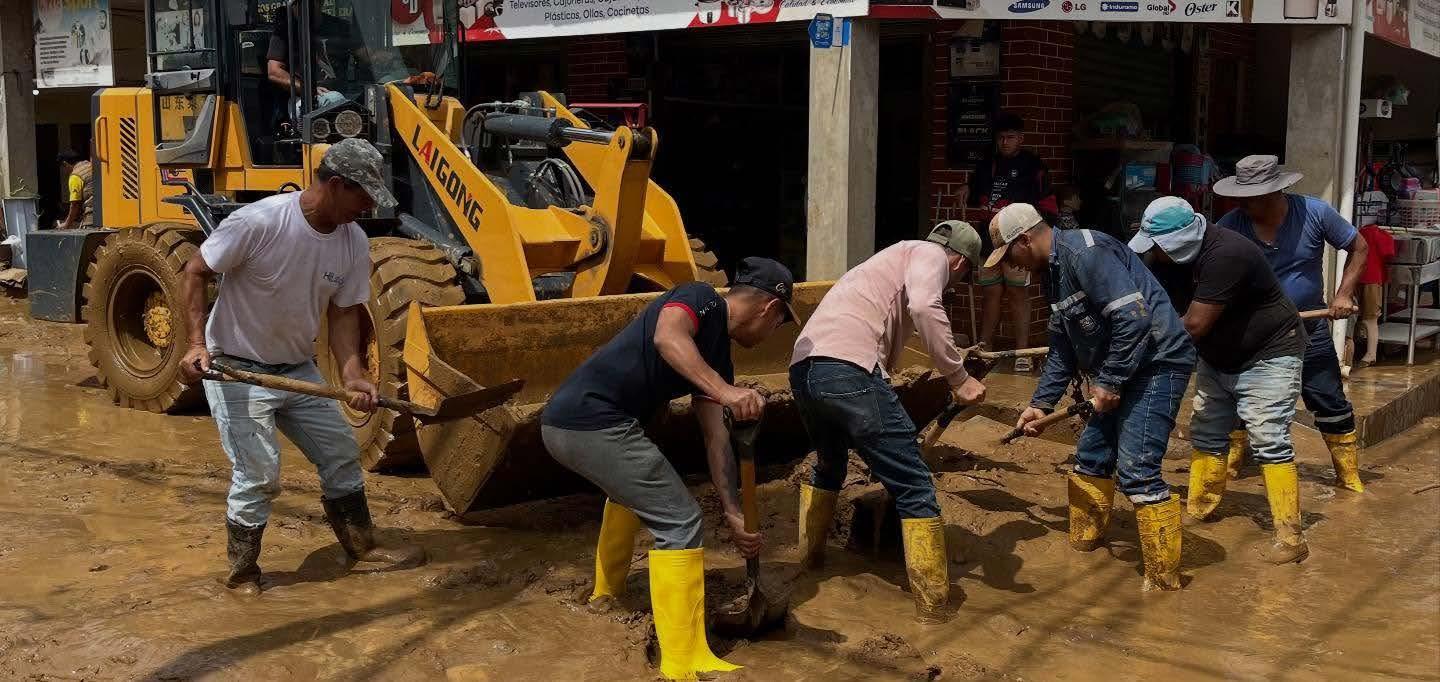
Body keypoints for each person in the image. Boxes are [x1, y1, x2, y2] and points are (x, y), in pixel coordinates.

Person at [178, 139, 424, 597]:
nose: (369, 208)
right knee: (259, 474)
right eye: (364, 197)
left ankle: (361, 545)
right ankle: (243, 573)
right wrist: (196, 344)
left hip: (296, 368)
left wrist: (352, 374)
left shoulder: (353, 241)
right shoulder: (260, 222)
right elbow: (196, 270)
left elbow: (343, 313)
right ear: (336, 184)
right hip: (235, 368)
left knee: (341, 453)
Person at [540, 257, 796, 681]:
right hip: (590, 423)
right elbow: (667, 336)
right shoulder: (698, 297)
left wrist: (733, 511)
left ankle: (605, 596)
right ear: (769, 308)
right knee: (681, 521)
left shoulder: (717, 357)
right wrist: (726, 391)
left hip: (572, 425)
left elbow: (716, 438)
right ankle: (685, 662)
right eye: (779, 323)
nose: (773, 332)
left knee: (629, 496)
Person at [789, 220, 987, 623]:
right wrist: (958, 377)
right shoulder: (931, 255)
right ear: (960, 263)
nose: (954, 284)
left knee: (830, 464)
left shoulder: (890, 260)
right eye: (963, 276)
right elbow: (925, 308)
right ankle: (933, 610)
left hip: (806, 370)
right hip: (848, 369)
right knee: (914, 482)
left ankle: (809, 564)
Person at [992, 203, 1196, 590]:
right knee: (1090, 458)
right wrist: (1040, 404)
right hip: (1118, 365)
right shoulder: (1052, 274)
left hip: (1157, 362)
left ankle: (1164, 581)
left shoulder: (1086, 253)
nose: (1010, 264)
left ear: (1025, 240)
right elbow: (1062, 349)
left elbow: (1133, 318)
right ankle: (1085, 549)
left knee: (1138, 469)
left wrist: (1110, 382)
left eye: (1009, 254)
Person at [1131, 197, 1310, 564]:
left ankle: (1290, 536)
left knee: (1268, 438)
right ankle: (1201, 509)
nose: (1153, 254)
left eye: (1158, 247)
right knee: (1207, 431)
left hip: (1269, 353)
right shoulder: (1164, 261)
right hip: (1218, 355)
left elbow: (1193, 325)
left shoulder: (1227, 254)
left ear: (1178, 242)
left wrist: (1135, 348)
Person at [1215, 155, 1369, 493]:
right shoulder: (1230, 226)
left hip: (1308, 328)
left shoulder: (1315, 212)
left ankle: (1348, 475)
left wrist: (1343, 294)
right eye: (1242, 197)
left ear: (1275, 192)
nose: (1245, 205)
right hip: (1253, 332)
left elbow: (1359, 247)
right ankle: (1231, 469)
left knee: (1328, 398)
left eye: (1253, 198)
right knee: (1239, 399)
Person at [960, 112, 1057, 372]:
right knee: (990, 294)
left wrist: (1035, 236)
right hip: (989, 241)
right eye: (1001, 137)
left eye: (1010, 137)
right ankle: (985, 349)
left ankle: (1022, 352)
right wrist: (966, 189)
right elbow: (974, 194)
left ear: (1021, 138)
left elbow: (1048, 205)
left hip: (1019, 244)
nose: (1005, 142)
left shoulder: (1034, 167)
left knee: (1017, 293)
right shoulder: (986, 165)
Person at [267, 0, 371, 112]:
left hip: (343, 92)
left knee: (371, 99)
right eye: (296, 3)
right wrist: (308, 90)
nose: (298, 7)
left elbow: (365, 56)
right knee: (335, 100)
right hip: (302, 99)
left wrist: (381, 60)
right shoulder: (284, 31)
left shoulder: (341, 27)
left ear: (320, 3)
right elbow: (274, 72)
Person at [1356, 223, 1396, 369]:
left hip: (1358, 277)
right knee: (1370, 319)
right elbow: (1389, 253)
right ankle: (1370, 353)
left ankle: (1369, 354)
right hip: (1373, 278)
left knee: (1362, 318)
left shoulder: (1360, 232)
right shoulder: (1381, 234)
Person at [56, 150, 93, 230]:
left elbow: (75, 205)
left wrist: (66, 224)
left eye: (63, 168)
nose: (65, 172)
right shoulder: (91, 165)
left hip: (92, 216)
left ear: (65, 164)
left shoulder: (75, 176)